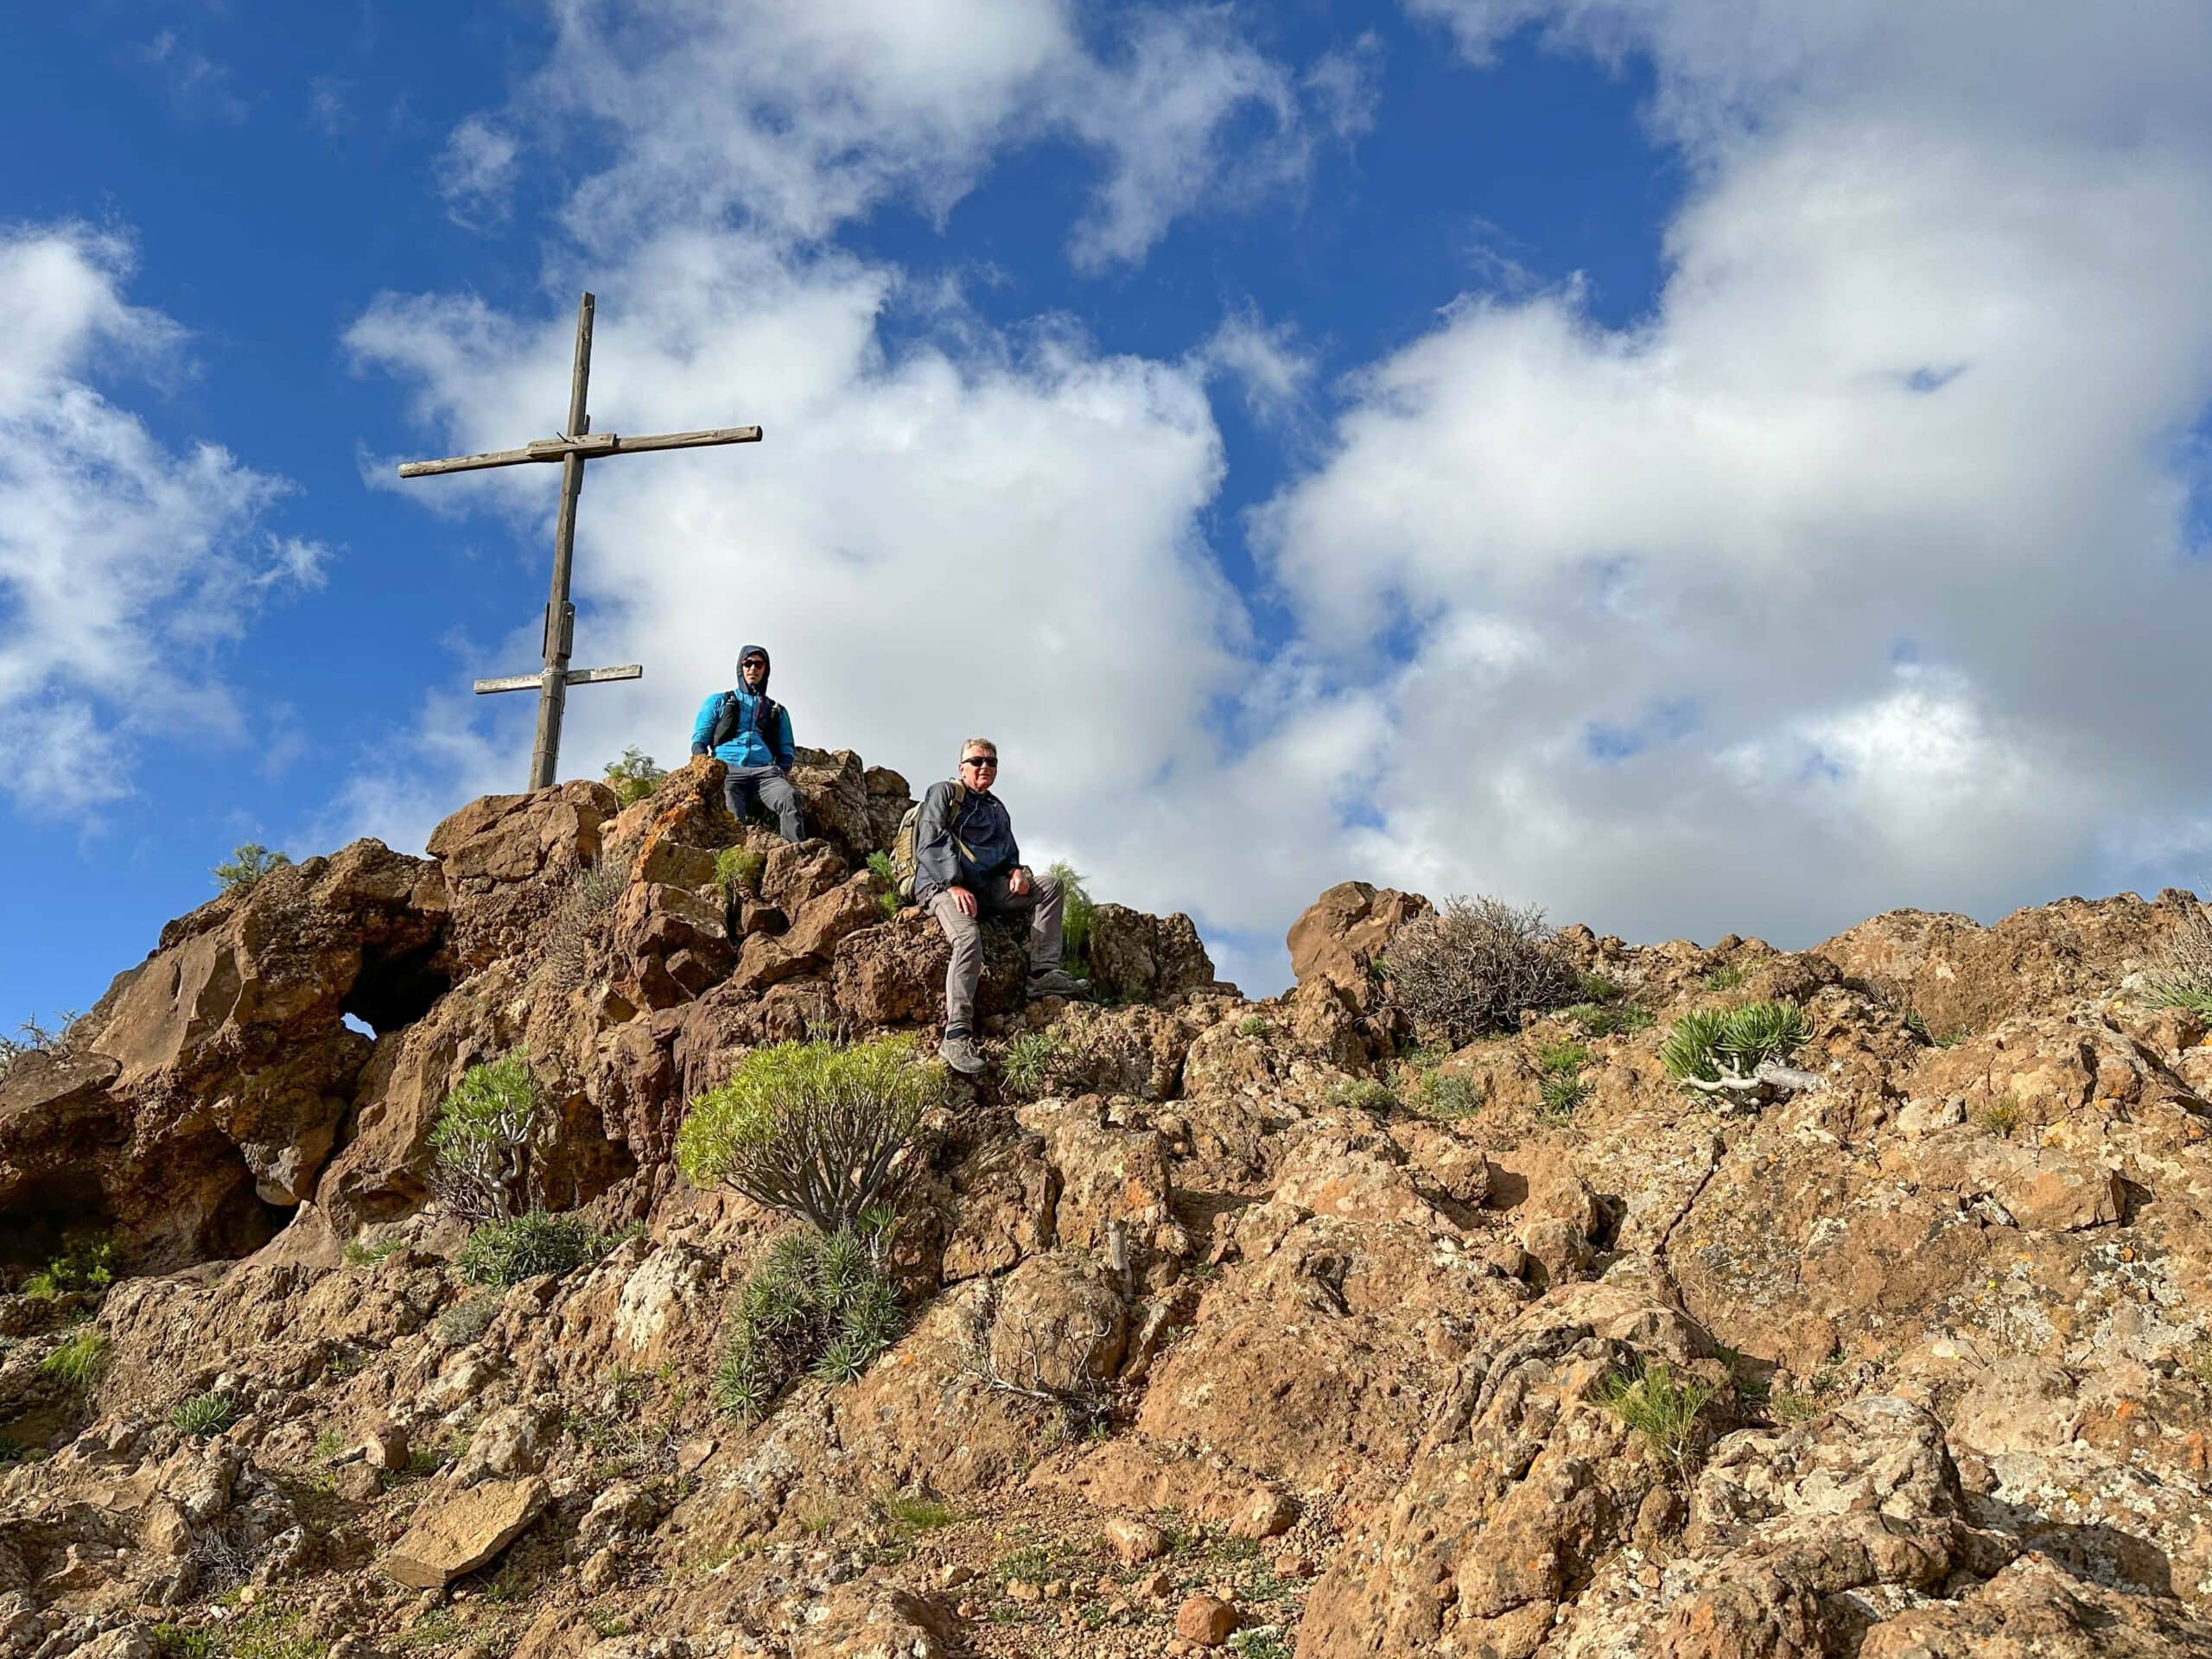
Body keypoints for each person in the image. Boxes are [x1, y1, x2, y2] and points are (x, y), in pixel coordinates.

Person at [913, 738, 1086, 1074]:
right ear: (961, 766)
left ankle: (1044, 973)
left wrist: (1016, 872)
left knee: (1050, 885)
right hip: (940, 886)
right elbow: (931, 840)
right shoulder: (944, 794)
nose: (984, 767)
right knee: (967, 939)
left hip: (985, 890)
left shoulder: (996, 808)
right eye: (977, 761)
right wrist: (954, 884)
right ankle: (956, 1033)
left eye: (991, 762)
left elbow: (1008, 855)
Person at [690, 645, 801, 842]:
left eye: (758, 664)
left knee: (788, 796)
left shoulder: (777, 711)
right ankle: (737, 860)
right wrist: (706, 769)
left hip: (765, 772)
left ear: (765, 669)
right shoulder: (719, 701)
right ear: (740, 668)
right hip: (728, 769)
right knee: (731, 816)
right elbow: (700, 740)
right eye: (747, 663)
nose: (753, 668)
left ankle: (796, 853)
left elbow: (787, 749)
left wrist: (781, 769)